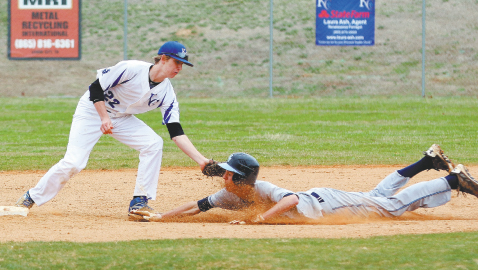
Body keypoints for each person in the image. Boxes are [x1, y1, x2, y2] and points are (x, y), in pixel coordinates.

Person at [15, 41, 212, 219]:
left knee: (153, 144)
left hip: (121, 117)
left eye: (182, 64)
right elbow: (95, 88)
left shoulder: (167, 93)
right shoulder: (132, 68)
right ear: (163, 59)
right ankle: (31, 197)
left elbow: (176, 132)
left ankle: (139, 203)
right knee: (74, 163)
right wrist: (103, 117)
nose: (179, 67)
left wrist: (202, 161)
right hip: (92, 111)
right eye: (176, 62)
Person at [132, 145, 478, 223]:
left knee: (390, 207)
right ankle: (426, 162)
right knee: (375, 197)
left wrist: (261, 219)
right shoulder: (230, 193)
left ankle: (452, 179)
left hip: (325, 201)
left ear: (239, 178)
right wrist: (163, 217)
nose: (222, 176)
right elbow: (197, 205)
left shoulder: (261, 188)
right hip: (327, 199)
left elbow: (293, 199)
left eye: (227, 172)